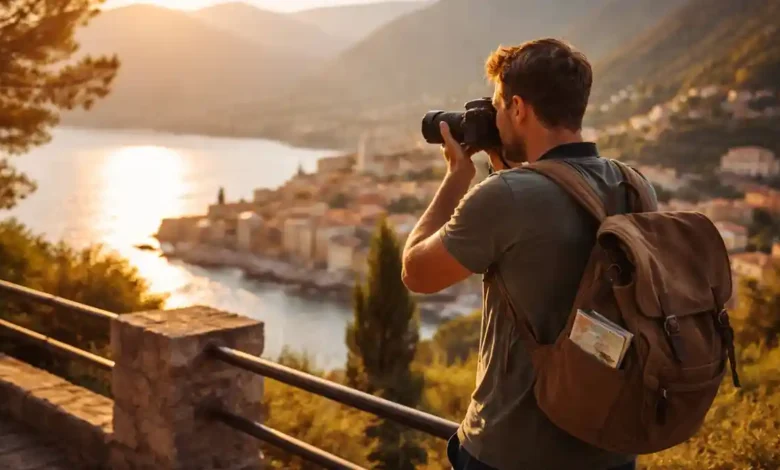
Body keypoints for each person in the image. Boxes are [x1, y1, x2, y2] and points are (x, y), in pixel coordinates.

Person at [401, 38, 652, 470]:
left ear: (518, 108)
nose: (496, 118)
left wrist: (457, 177)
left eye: (499, 107)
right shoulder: (633, 184)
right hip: (610, 449)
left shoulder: (507, 196)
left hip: (512, 451)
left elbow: (416, 273)